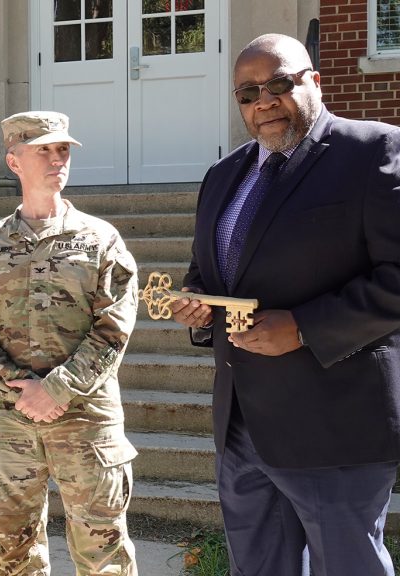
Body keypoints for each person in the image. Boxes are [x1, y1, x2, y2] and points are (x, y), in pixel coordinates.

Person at [171, 33, 400, 575]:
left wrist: (303, 328)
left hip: (335, 424)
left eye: (278, 84)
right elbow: (208, 273)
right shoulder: (223, 176)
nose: (263, 102)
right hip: (242, 425)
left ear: (314, 81)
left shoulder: (373, 151)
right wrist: (197, 309)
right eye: (247, 93)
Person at [0, 111, 139, 575]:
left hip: (85, 423)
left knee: (104, 555)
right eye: (44, 150)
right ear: (14, 161)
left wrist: (53, 391)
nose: (58, 159)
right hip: (9, 423)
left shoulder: (101, 241)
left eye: (63, 150)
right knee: (14, 553)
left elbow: (114, 328)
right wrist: (22, 389)